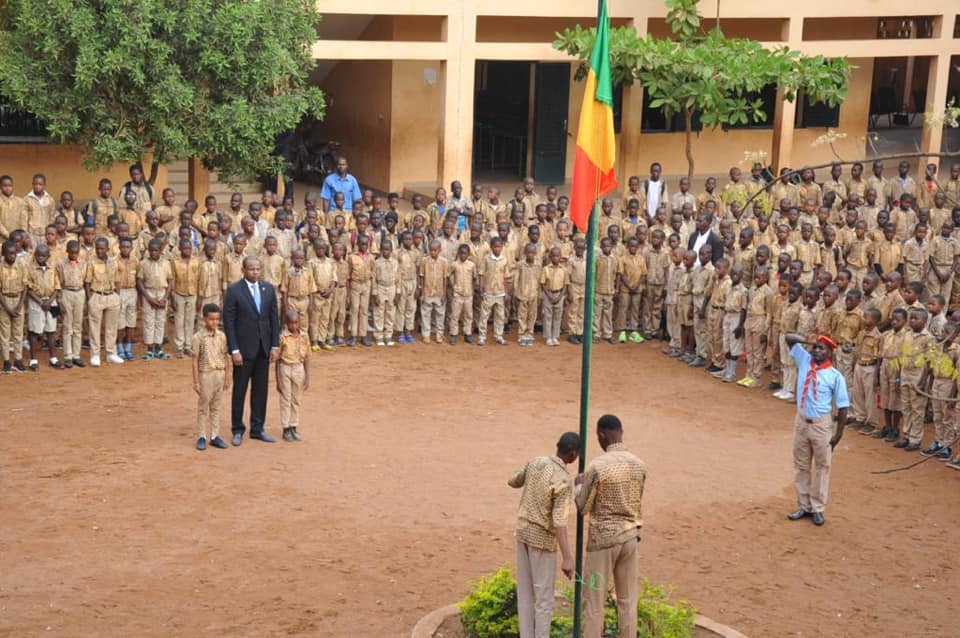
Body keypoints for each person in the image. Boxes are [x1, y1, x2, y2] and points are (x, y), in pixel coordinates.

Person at [576, 414, 646, 638]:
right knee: (627, 602)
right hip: (630, 538)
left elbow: (582, 506)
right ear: (621, 433)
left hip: (603, 542)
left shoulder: (597, 466)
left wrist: (578, 485)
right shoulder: (639, 465)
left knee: (594, 603)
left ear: (601, 435)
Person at [508, 431, 580, 638]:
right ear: (573, 454)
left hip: (522, 533)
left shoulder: (536, 461)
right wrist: (567, 557)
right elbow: (560, 521)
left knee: (525, 594)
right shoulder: (564, 480)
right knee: (544, 600)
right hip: (542, 541)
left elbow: (514, 480)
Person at [783, 333, 850, 526]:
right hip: (802, 421)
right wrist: (809, 342)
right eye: (816, 347)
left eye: (822, 348)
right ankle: (803, 505)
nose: (817, 351)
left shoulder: (835, 376)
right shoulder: (804, 359)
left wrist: (838, 434)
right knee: (801, 465)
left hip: (821, 424)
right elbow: (789, 337)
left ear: (829, 353)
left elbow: (843, 407)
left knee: (822, 466)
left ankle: (818, 507)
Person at [222, 256, 281, 446]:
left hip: (263, 349)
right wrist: (234, 349)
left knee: (260, 390)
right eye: (251, 269)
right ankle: (237, 429)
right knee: (239, 390)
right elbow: (229, 322)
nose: (255, 272)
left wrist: (274, 345)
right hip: (243, 350)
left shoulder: (268, 289)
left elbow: (274, 320)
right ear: (243, 270)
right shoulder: (233, 290)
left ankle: (257, 428)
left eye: (258, 269)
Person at [192, 303, 231, 451]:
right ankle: (201, 435)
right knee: (203, 407)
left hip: (219, 373)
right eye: (211, 319)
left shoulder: (222, 336)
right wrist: (196, 381)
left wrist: (228, 376)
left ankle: (214, 435)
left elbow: (225, 357)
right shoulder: (198, 337)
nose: (214, 322)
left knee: (216, 406)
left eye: (217, 319)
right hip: (205, 374)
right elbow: (195, 360)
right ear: (204, 319)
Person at [84, 237, 124, 367]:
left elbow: (117, 280)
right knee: (95, 327)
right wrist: (90, 299)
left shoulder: (113, 262)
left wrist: (117, 296)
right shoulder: (91, 262)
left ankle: (111, 353)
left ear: (107, 249)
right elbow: (88, 282)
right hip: (97, 295)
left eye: (102, 248)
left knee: (112, 327)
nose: (99, 251)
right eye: (97, 248)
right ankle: (95, 354)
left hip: (111, 296)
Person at [276, 308, 310, 441]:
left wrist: (307, 377)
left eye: (296, 323)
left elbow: (307, 357)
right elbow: (278, 360)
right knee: (286, 398)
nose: (294, 326)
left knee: (296, 399)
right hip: (285, 367)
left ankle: (294, 425)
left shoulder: (304, 336)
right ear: (286, 323)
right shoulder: (282, 337)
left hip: (298, 368)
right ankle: (285, 427)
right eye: (291, 323)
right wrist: (278, 379)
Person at [137, 239, 173, 360]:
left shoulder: (166, 263)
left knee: (160, 321)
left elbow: (170, 281)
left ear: (160, 251)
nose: (153, 253)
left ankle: (159, 348)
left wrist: (165, 298)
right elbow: (140, 281)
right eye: (151, 250)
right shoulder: (143, 263)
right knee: (149, 321)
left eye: (156, 250)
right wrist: (148, 298)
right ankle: (149, 349)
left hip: (162, 292)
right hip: (149, 292)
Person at [26, 244, 60, 370]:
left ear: (48, 256)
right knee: (34, 331)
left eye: (43, 255)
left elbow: (57, 287)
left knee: (52, 330)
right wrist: (41, 302)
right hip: (36, 301)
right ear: (35, 255)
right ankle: (33, 360)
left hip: (52, 302)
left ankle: (53, 358)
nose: (41, 257)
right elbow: (28, 289)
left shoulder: (53, 268)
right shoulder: (30, 268)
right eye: (38, 255)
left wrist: (50, 301)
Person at [57, 240, 86, 368]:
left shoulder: (83, 264)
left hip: (79, 292)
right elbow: (58, 283)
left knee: (77, 326)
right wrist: (60, 301)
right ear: (67, 251)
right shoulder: (61, 265)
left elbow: (85, 280)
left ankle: (76, 355)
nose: (74, 255)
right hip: (67, 292)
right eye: (72, 252)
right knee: (67, 326)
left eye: (76, 252)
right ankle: (68, 355)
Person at [0, 239, 28, 373]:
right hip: (4, 301)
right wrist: (7, 307)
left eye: (14, 253)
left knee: (18, 333)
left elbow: (25, 287)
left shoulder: (21, 265)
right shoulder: (0, 267)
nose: (13, 256)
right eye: (10, 254)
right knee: (5, 333)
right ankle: (6, 360)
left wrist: (19, 305)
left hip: (18, 301)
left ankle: (18, 359)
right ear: (3, 254)